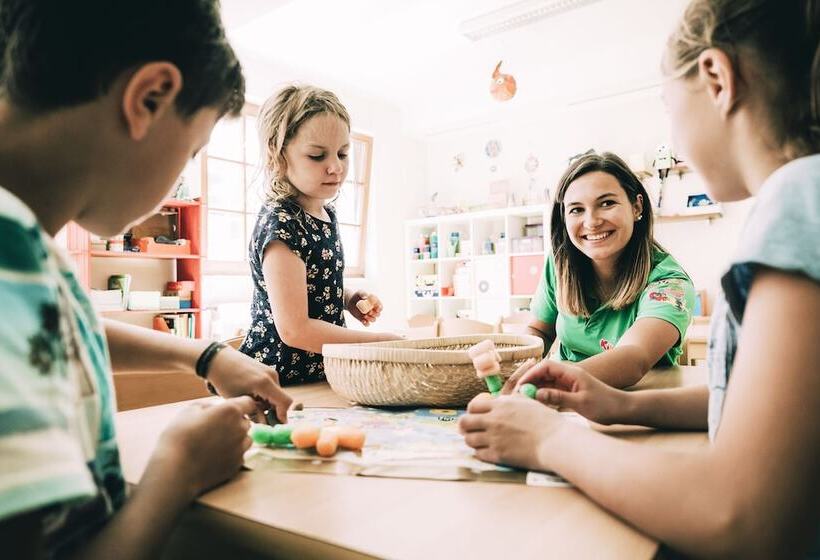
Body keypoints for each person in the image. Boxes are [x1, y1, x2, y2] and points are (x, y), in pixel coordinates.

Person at [460, 0, 820, 557]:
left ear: (716, 78)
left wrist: (549, 439)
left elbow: (743, 519)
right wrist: (619, 405)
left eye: (669, 109)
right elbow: (745, 397)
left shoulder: (799, 202)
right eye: (575, 210)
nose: (675, 142)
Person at [0, 1, 292, 557]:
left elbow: (47, 334)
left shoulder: (26, 243)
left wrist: (204, 356)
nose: (177, 178)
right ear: (150, 98)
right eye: (190, 151)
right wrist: (177, 471)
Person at [239, 85, 400, 384]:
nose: (335, 167)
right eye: (317, 156)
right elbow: (294, 329)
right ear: (278, 156)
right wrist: (378, 344)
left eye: (342, 153)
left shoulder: (327, 214)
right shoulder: (282, 223)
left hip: (321, 374)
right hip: (277, 379)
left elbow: (312, 284)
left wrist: (347, 297)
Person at [528, 151, 695, 387]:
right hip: (564, 402)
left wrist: (542, 382)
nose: (591, 221)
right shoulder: (560, 264)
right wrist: (515, 365)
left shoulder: (670, 283)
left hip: (637, 406)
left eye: (607, 203)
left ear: (637, 207)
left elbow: (633, 358)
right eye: (576, 209)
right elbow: (539, 330)